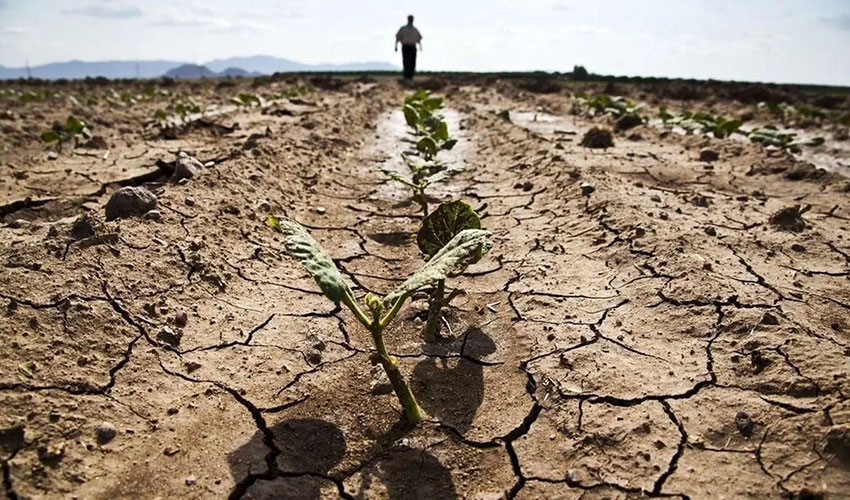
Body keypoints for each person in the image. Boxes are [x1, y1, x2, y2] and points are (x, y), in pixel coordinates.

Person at [395, 15, 422, 80]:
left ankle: (411, 77)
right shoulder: (403, 29)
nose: (411, 20)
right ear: (408, 19)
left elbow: (418, 39)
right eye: (410, 19)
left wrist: (420, 46)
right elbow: (397, 37)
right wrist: (396, 46)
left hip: (413, 46)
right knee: (406, 62)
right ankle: (406, 77)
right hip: (406, 46)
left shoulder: (415, 29)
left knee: (413, 62)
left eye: (411, 19)